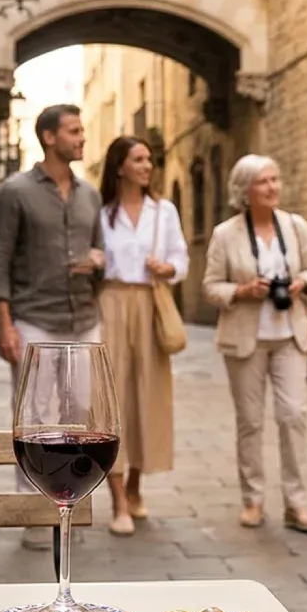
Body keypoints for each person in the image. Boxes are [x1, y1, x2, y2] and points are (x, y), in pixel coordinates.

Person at [0, 103, 106, 550]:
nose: (82, 138)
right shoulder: (14, 191)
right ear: (50, 137)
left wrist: (97, 259)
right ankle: (34, 516)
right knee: (33, 422)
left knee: (81, 422)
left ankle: (69, 509)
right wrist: (5, 326)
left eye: (81, 130)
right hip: (34, 320)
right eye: (74, 131)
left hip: (84, 321)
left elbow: (101, 250)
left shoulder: (90, 195)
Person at [203, 155, 307, 534]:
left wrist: (304, 282)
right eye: (263, 182)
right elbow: (209, 287)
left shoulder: (295, 226)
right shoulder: (226, 234)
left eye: (275, 179)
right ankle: (253, 500)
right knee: (250, 422)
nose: (273, 187)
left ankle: (296, 504)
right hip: (245, 339)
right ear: (245, 190)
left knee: (293, 415)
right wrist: (242, 290)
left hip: (290, 334)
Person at [96, 136, 188, 537]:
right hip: (110, 303)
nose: (147, 165)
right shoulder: (100, 213)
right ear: (120, 167)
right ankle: (117, 500)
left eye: (149, 159)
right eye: (138, 159)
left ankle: (134, 486)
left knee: (146, 395)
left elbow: (181, 257)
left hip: (150, 303)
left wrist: (168, 268)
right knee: (112, 399)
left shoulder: (163, 210)